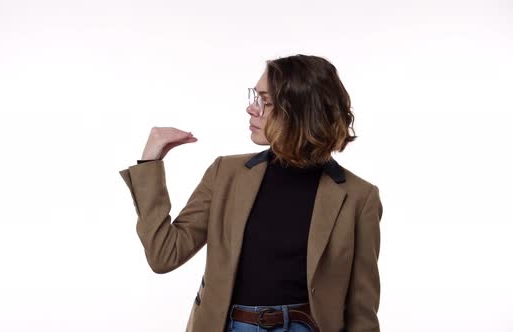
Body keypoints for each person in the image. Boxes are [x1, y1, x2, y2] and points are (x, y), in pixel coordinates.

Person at [119, 54, 383, 332]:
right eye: (255, 97)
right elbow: (164, 255)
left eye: (266, 102)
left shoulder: (358, 197)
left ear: (302, 112)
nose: (251, 109)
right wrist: (150, 162)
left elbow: (361, 308)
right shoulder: (226, 173)